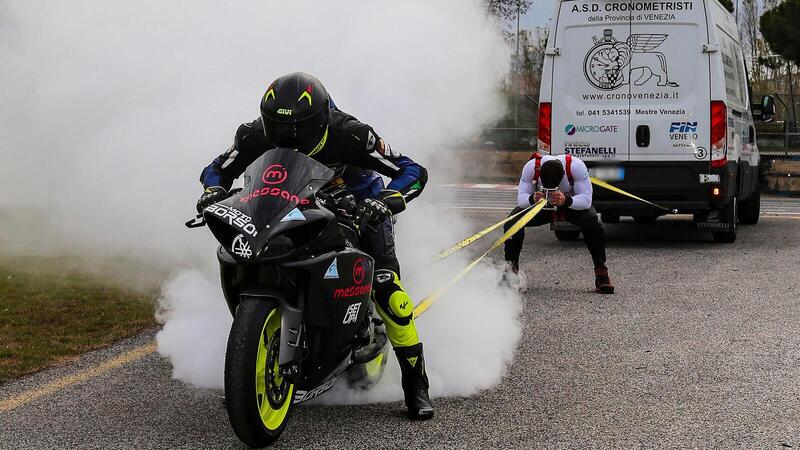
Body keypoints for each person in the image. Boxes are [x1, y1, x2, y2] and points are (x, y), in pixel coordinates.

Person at [196, 72, 433, 420]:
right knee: (249, 255)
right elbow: (218, 168)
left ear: (320, 119)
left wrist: (386, 199)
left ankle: (416, 387)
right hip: (292, 205)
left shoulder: (351, 133)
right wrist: (213, 191)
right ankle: (256, 363)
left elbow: (411, 169)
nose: (287, 136)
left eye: (297, 129)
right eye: (276, 127)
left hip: (359, 205)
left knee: (388, 290)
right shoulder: (253, 134)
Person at [503, 152, 614, 294]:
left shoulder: (576, 166)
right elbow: (521, 199)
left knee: (593, 224)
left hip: (570, 206)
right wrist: (532, 199)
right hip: (541, 207)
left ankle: (601, 272)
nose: (550, 190)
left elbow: (586, 201)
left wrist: (566, 200)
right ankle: (511, 272)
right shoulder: (531, 167)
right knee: (512, 223)